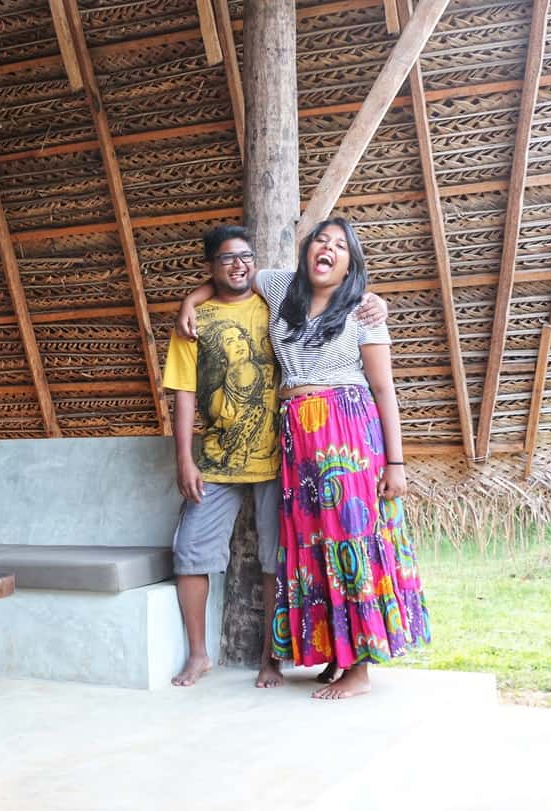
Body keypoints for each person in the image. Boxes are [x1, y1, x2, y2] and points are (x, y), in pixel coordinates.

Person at [176, 218, 430, 699]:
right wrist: (190, 301)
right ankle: (337, 655)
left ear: (351, 263)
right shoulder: (279, 286)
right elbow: (230, 273)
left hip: (346, 433)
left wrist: (395, 463)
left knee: (350, 541)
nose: (327, 249)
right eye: (321, 240)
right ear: (307, 250)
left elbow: (383, 388)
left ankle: (360, 670)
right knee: (313, 550)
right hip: (296, 437)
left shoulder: (362, 310)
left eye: (339, 246)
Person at [161, 224, 284, 688]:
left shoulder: (276, 302)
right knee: (189, 552)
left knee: (275, 560)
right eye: (228, 258)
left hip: (277, 457)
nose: (240, 265)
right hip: (216, 459)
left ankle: (271, 660)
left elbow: (330, 288)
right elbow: (185, 395)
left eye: (246, 256)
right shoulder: (195, 322)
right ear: (211, 267)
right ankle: (198, 655)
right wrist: (184, 460)